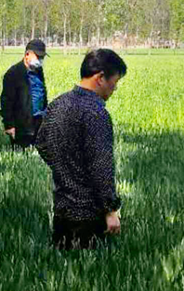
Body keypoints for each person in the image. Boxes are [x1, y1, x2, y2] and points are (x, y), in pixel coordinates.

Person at [36, 49, 126, 250]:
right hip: (90, 216)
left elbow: (41, 143)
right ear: (100, 78)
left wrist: (64, 168)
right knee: (90, 268)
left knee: (62, 266)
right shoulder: (96, 113)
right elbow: (101, 167)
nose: (115, 89)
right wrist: (110, 210)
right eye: (115, 82)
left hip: (62, 212)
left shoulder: (57, 104)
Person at [0, 39, 49, 151]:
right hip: (23, 126)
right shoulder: (13, 73)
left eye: (42, 57)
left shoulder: (38, 71)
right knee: (23, 152)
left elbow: (42, 92)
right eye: (38, 56)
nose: (40, 60)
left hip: (40, 120)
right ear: (27, 55)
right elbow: (6, 101)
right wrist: (9, 125)